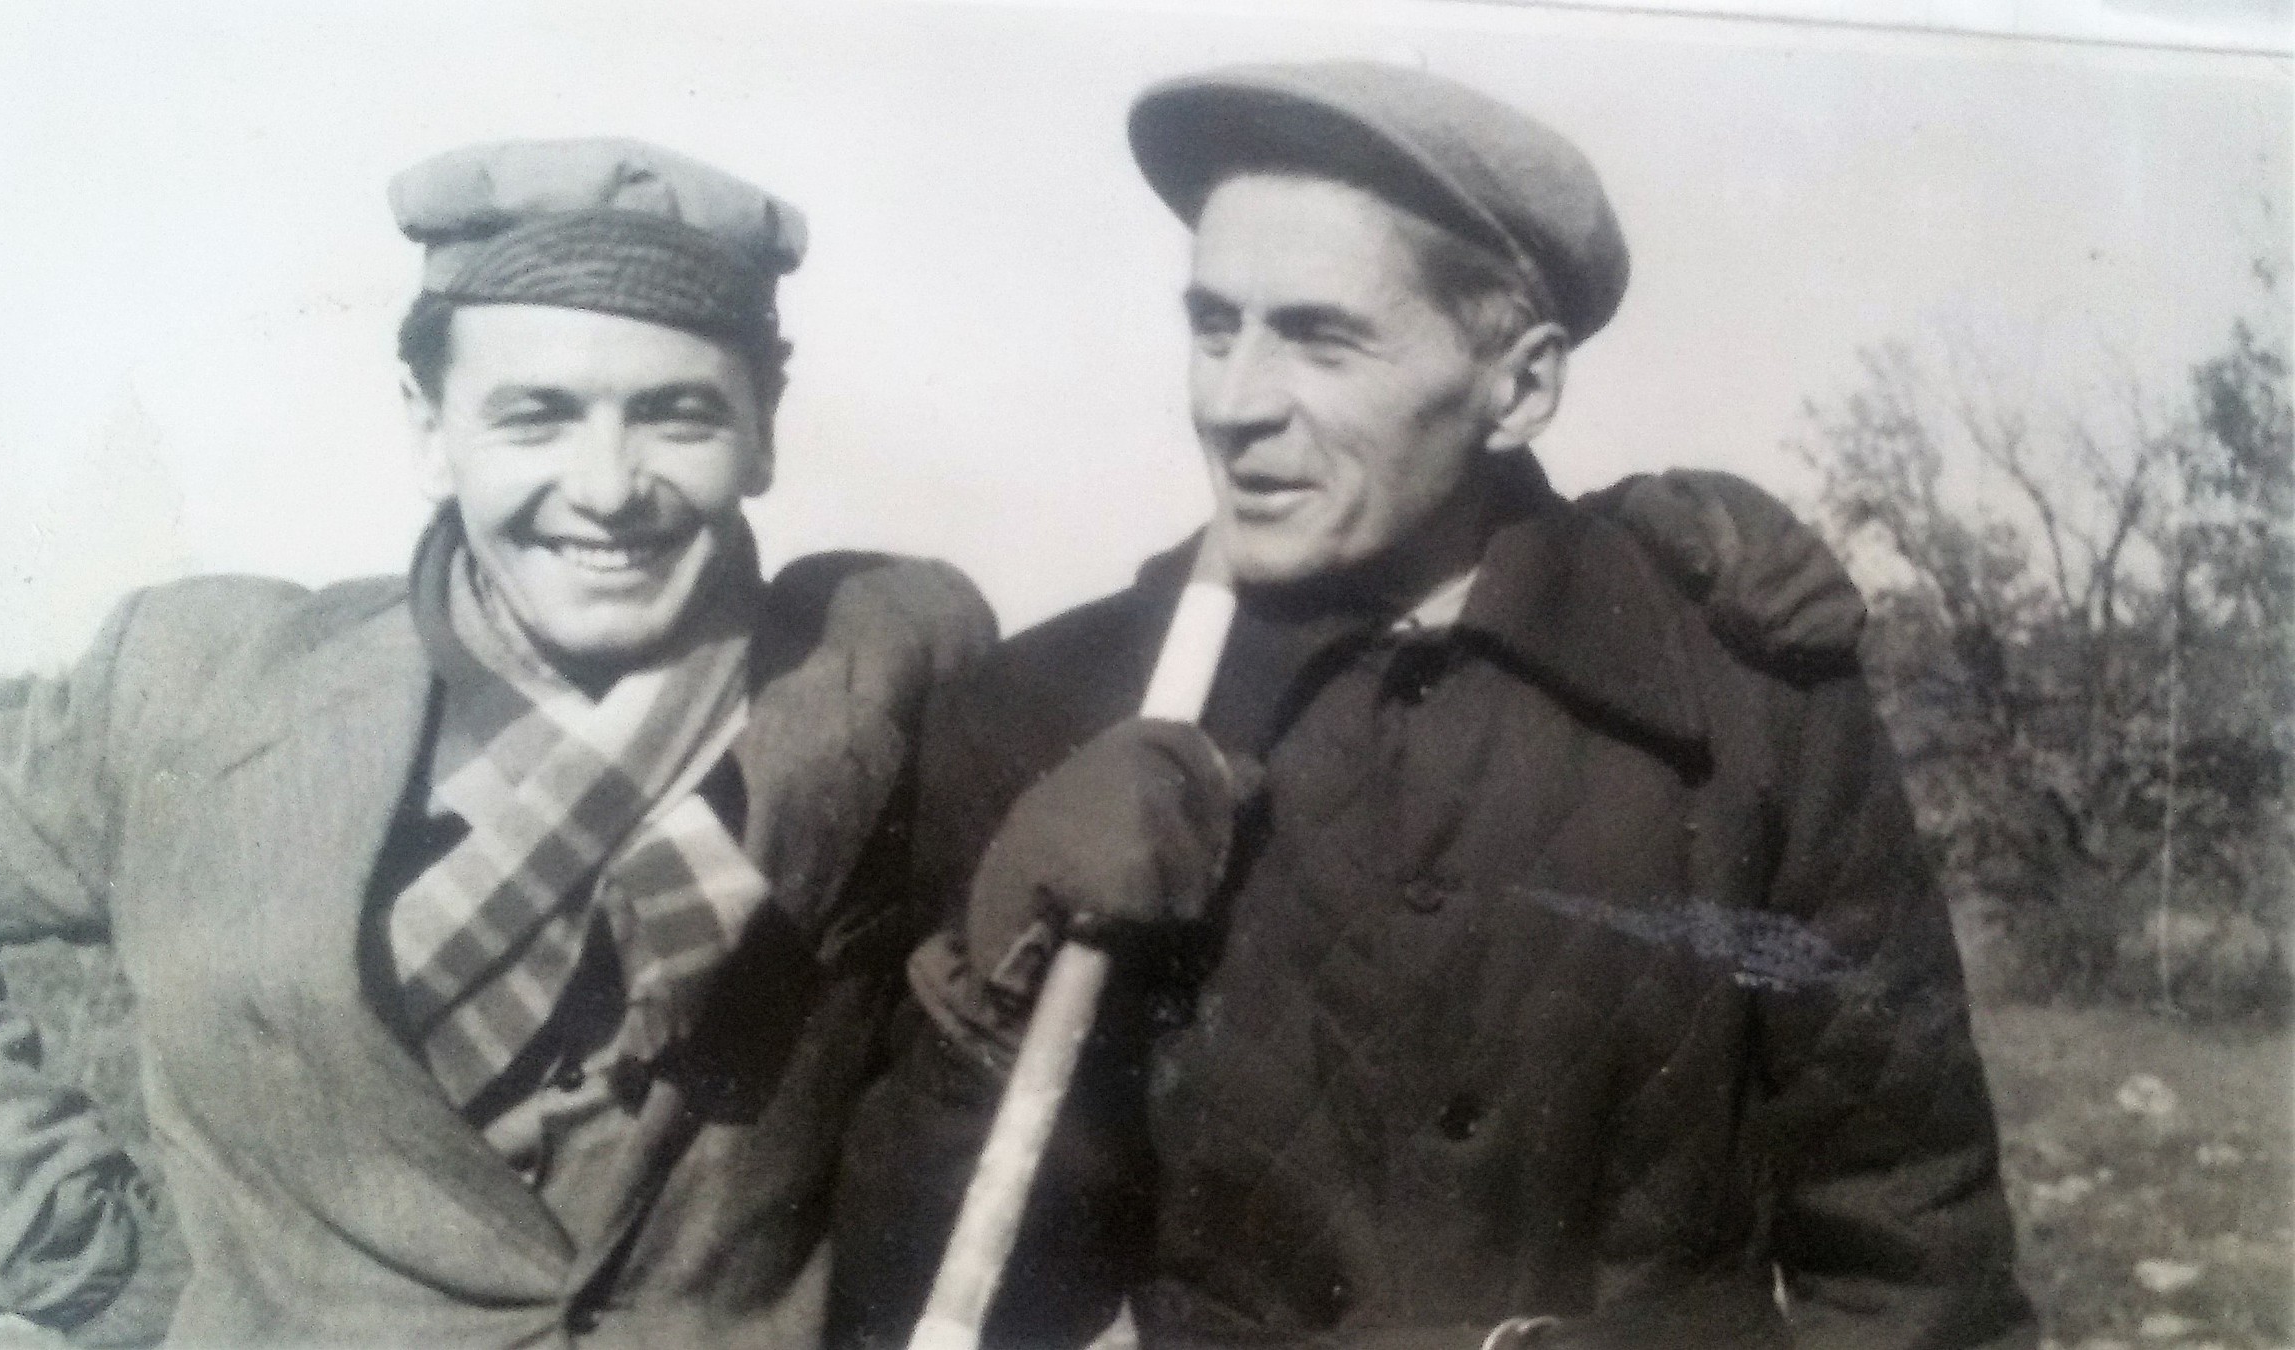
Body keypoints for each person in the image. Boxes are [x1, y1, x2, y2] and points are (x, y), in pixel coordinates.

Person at [831, 63, 2037, 1349]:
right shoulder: (1049, 712)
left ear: (1519, 388)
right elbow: (942, 1314)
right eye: (1215, 325)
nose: (1232, 402)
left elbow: (1910, 1251)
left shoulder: (1749, 697)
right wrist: (992, 994)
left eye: (1320, 337)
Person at [0, 138, 997, 1348]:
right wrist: (68, 1252)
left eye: (675, 415)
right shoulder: (201, 686)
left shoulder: (873, 675)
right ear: (430, 428)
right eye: (536, 416)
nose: (607, 488)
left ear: (763, 428)